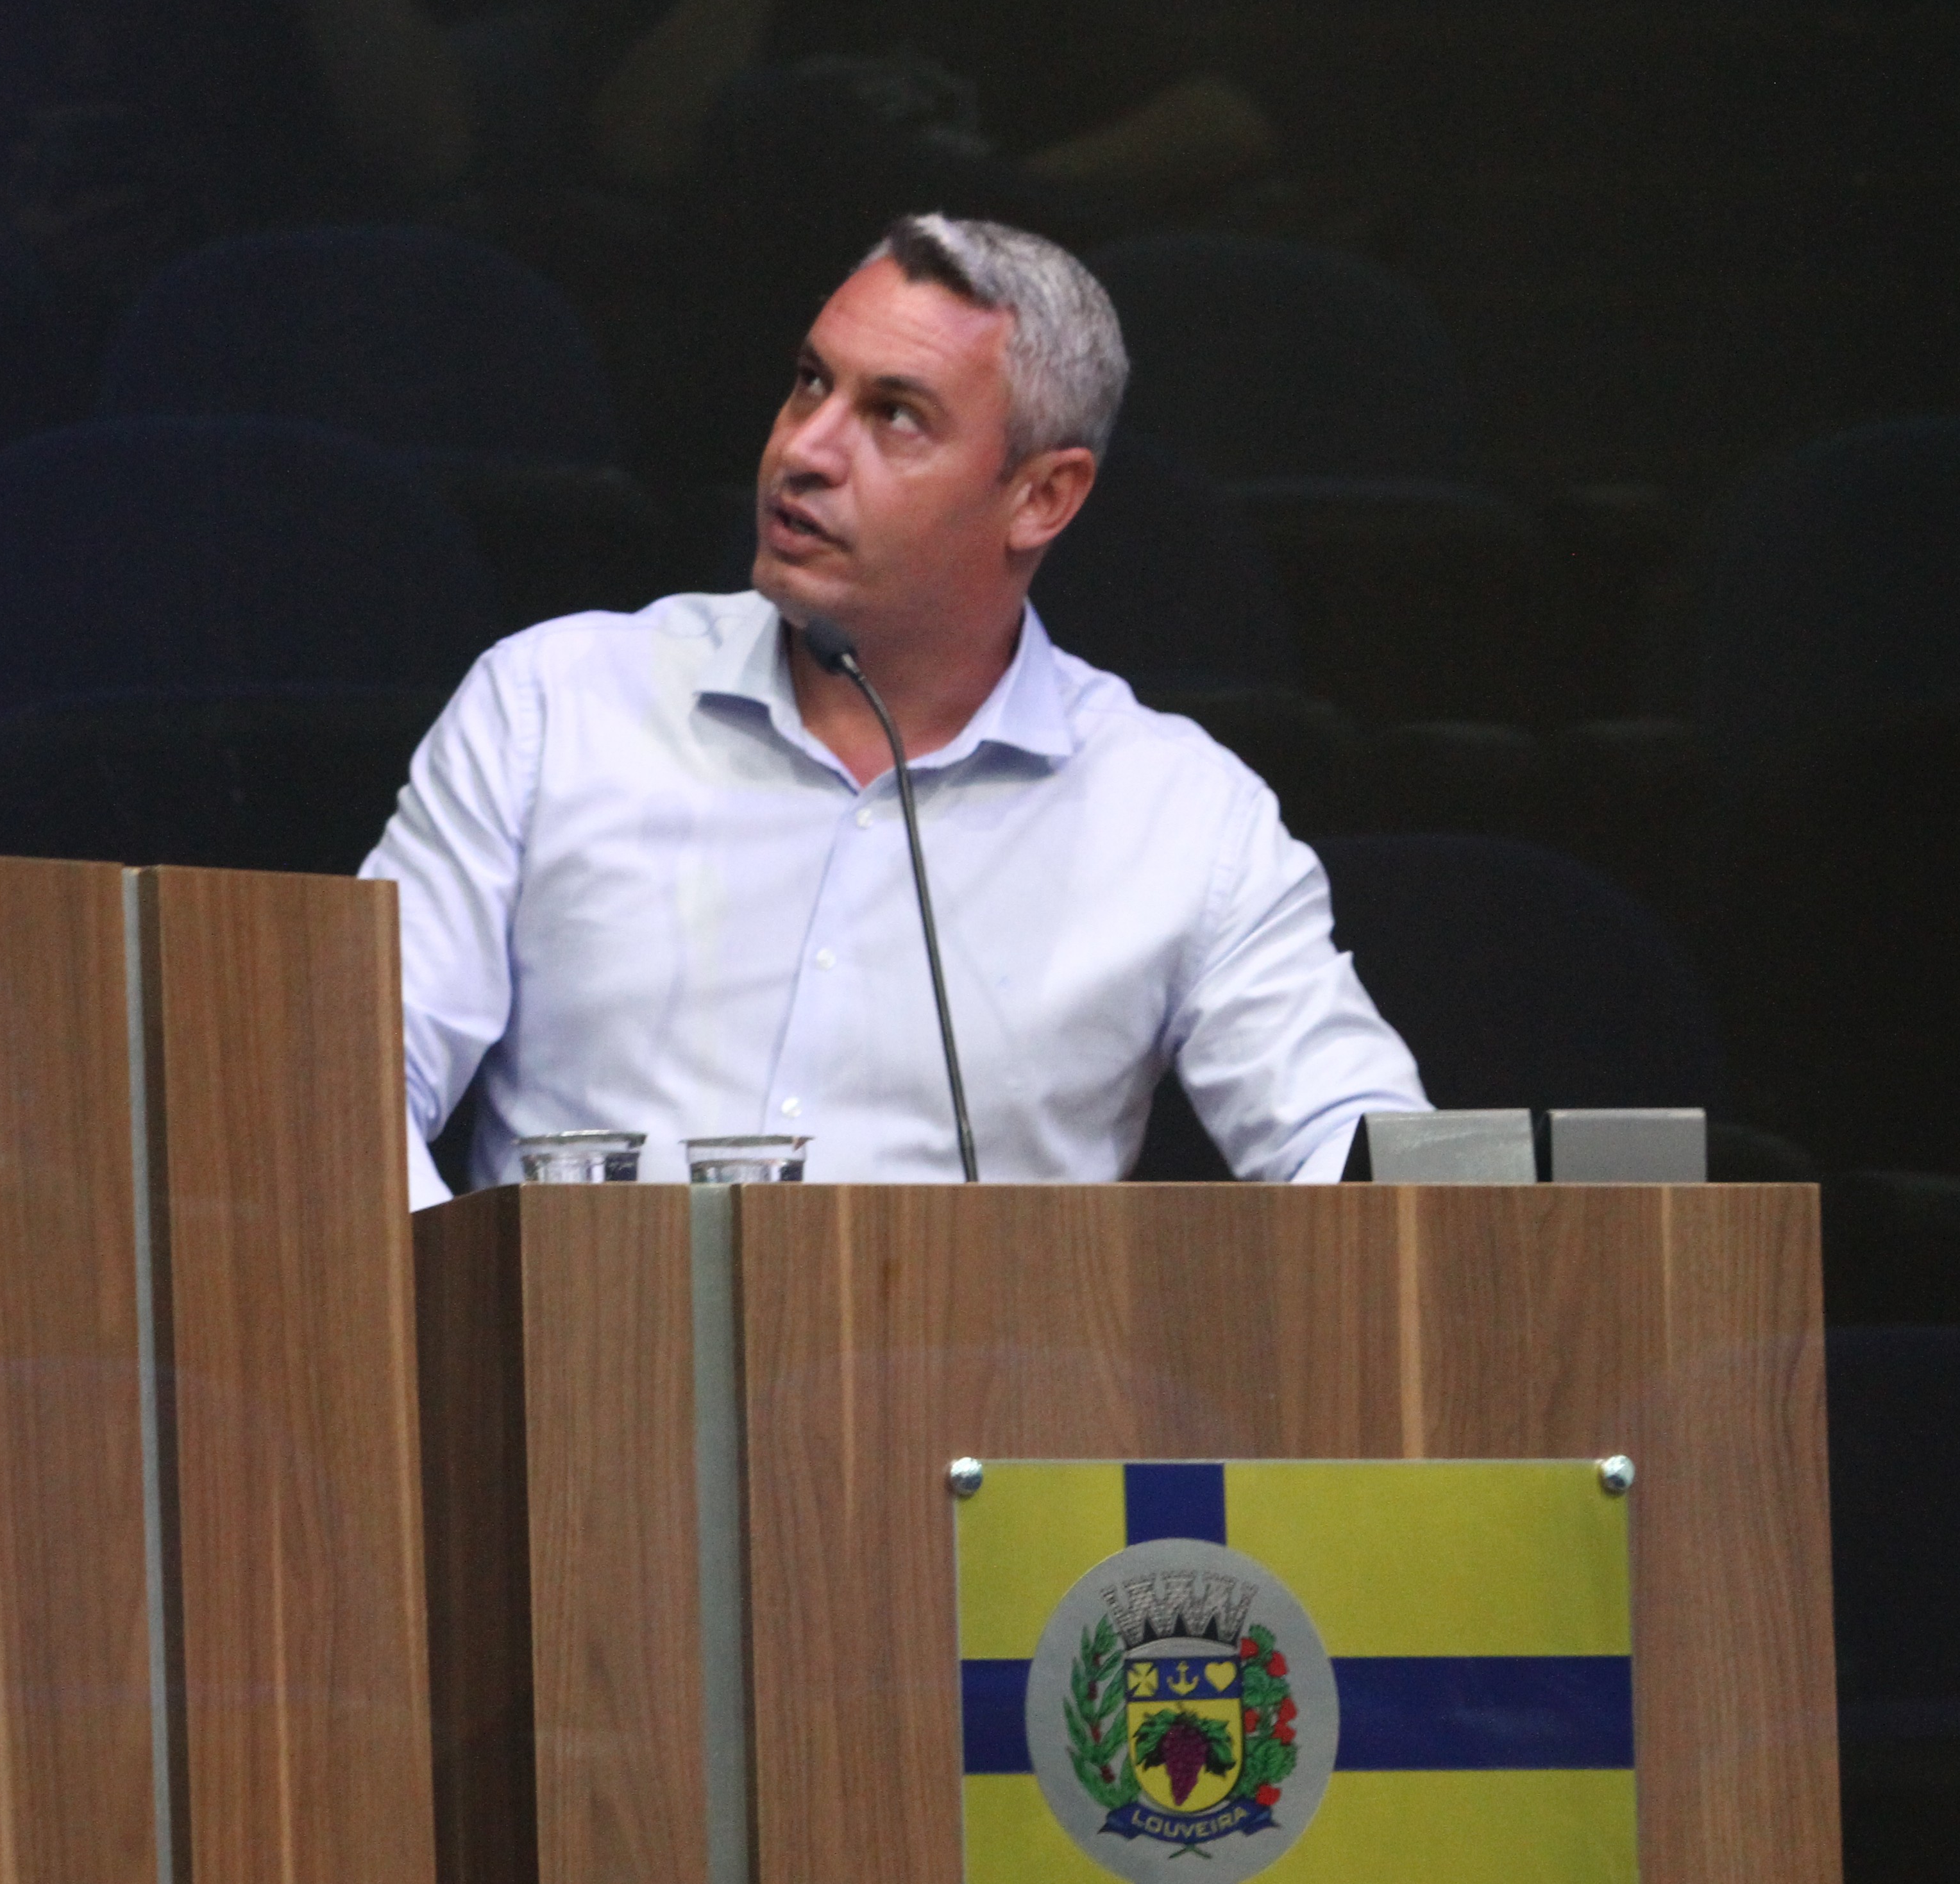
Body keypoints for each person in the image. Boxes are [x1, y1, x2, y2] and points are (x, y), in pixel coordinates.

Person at [360, 212, 1422, 1200]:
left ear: (1042, 497)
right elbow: (348, 1082)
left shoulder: (1181, 818)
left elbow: (1365, 1163)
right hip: (570, 1341)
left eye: (895, 416)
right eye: (809, 385)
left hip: (971, 1348)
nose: (805, 451)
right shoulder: (553, 707)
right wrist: (446, 1318)